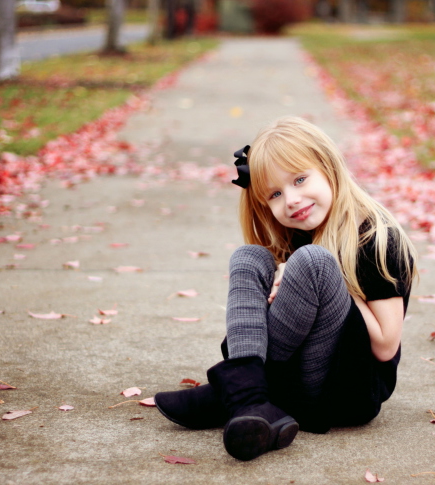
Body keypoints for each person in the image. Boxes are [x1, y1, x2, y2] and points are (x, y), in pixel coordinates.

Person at [154, 116, 417, 461]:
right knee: (249, 256)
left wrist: (329, 272)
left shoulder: (377, 237)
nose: (291, 199)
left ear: (329, 167)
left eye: (300, 179)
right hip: (292, 381)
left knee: (314, 262)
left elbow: (385, 345)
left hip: (345, 391)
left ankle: (233, 394)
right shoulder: (296, 233)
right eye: (275, 194)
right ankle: (250, 399)